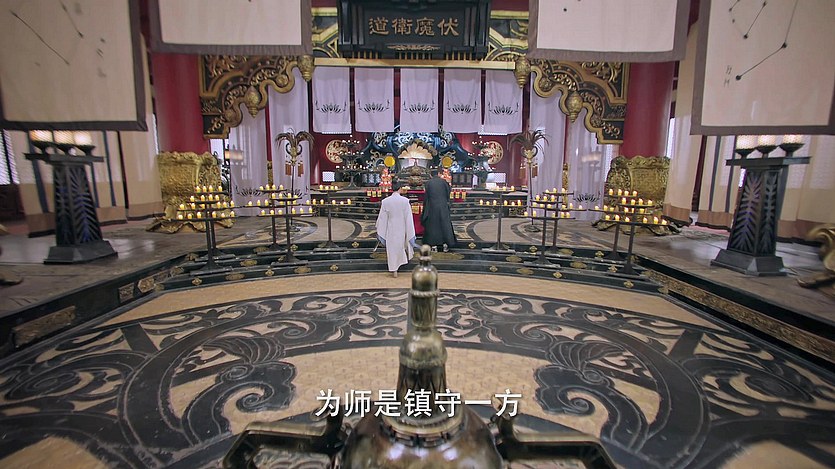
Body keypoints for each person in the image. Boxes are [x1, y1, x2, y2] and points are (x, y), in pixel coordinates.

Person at [375, 181, 416, 277]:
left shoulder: (386, 201)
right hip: (402, 227)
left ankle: (394, 269)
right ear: (400, 189)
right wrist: (409, 230)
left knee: (392, 248)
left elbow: (382, 218)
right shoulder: (405, 201)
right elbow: (408, 218)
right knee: (400, 246)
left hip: (391, 228)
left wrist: (381, 230)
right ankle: (396, 267)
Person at [421, 170, 457, 252]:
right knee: (445, 225)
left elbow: (426, 196)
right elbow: (448, 192)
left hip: (432, 207)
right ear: (438, 174)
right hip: (443, 206)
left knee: (433, 226)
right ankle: (446, 243)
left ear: (430, 175)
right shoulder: (444, 182)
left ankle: (433, 244)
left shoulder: (428, 183)